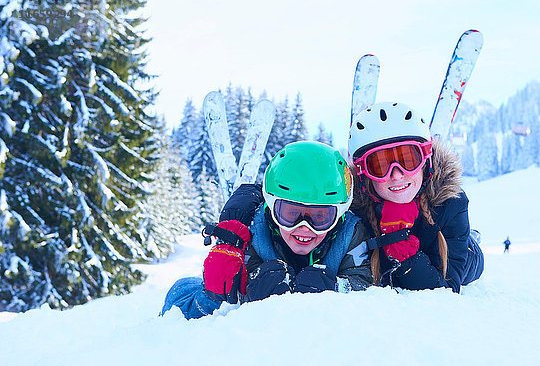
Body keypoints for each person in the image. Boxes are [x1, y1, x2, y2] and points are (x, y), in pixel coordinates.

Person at [160, 141, 372, 319]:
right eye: (290, 214)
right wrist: (219, 294)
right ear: (271, 207)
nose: (304, 229)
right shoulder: (252, 233)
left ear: (341, 214)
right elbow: (177, 302)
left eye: (320, 217)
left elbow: (367, 288)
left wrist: (336, 288)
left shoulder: (350, 234)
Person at [348, 102, 484, 293]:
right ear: (364, 174)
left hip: (459, 253)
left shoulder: (450, 202)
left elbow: (447, 288)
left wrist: (402, 251)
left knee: (472, 265)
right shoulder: (355, 210)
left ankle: (470, 238)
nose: (396, 175)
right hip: (423, 259)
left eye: (408, 160)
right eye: (380, 166)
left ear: (425, 162)